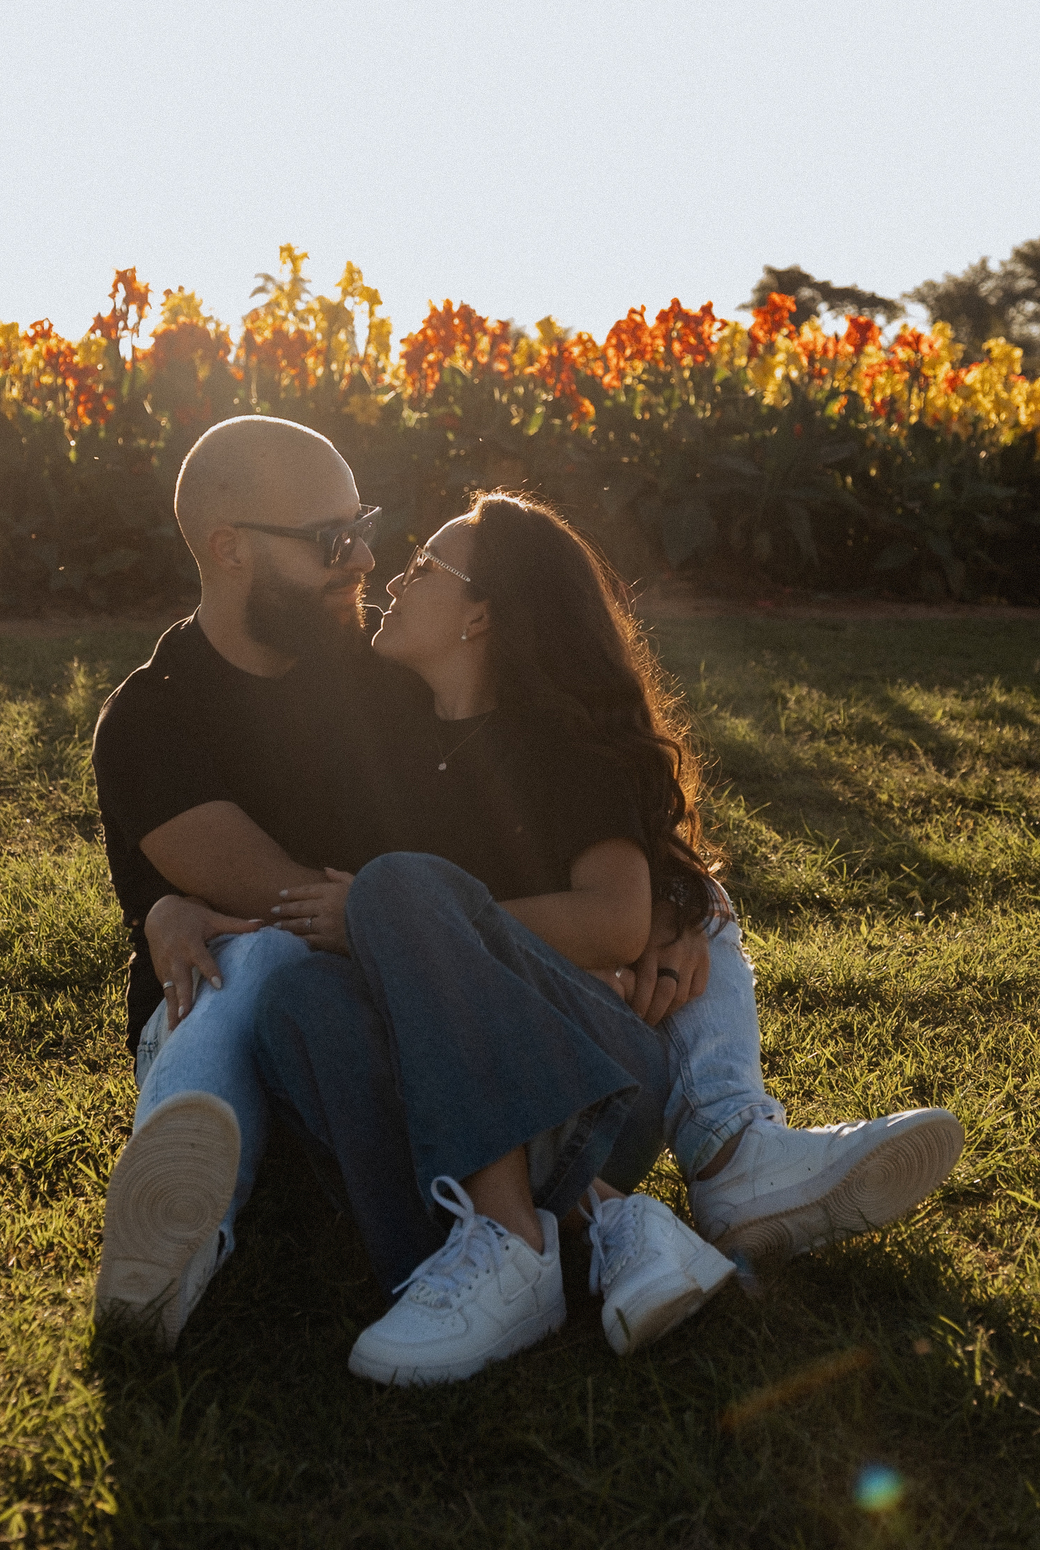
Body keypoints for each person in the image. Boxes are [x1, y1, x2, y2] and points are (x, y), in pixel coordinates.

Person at [90, 417, 963, 1369]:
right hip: (294, 1022)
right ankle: (585, 1219)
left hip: (442, 1022)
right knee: (278, 964)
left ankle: (702, 1160)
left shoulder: (381, 671)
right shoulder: (154, 718)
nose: (366, 561)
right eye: (330, 540)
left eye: (366, 525)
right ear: (229, 549)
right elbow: (293, 903)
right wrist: (175, 907)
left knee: (687, 898)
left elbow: (527, 794)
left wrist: (664, 904)